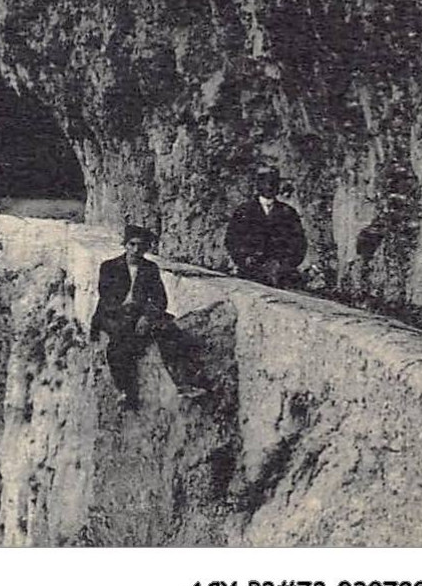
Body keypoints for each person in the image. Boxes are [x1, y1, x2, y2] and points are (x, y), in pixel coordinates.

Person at [92, 224, 199, 410]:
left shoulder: (150, 268)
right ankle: (125, 391)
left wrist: (147, 317)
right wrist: (126, 314)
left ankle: (183, 383)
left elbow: (160, 299)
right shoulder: (109, 267)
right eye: (132, 244)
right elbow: (106, 298)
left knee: (171, 332)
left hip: (139, 313)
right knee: (119, 344)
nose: (136, 250)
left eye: (141, 246)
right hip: (113, 313)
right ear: (125, 245)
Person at [225, 165, 307, 288]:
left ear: (278, 186)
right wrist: (244, 260)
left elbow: (299, 243)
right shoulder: (244, 211)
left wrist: (285, 264)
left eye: (273, 183)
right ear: (258, 185)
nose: (269, 186)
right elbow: (232, 240)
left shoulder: (288, 212)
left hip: (280, 275)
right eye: (265, 182)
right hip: (250, 273)